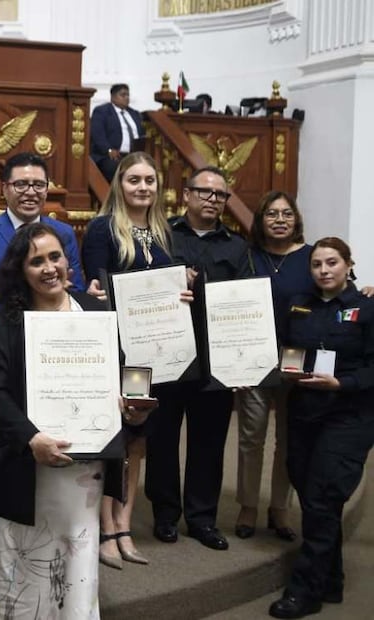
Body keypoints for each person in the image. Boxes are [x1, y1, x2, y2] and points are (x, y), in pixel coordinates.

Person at [0, 222, 151, 618]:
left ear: (66, 261)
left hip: (83, 467)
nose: (48, 267)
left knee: (79, 548)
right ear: (21, 271)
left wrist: (129, 409)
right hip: (30, 463)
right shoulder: (11, 322)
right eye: (35, 261)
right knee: (27, 554)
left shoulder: (95, 312)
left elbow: (118, 376)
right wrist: (30, 438)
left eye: (54, 256)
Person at [268, 237, 374, 619]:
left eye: (332, 262)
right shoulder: (299, 304)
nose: (324, 270)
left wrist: (343, 384)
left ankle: (304, 591)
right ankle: (332, 580)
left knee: (323, 497)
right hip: (305, 413)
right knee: (310, 489)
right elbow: (281, 347)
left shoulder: (367, 307)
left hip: (349, 415)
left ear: (348, 264)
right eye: (317, 264)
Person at [145, 165, 250, 551]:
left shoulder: (238, 247)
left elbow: (243, 305)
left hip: (214, 359)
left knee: (209, 440)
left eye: (220, 195)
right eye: (204, 192)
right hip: (167, 354)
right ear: (186, 195)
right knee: (162, 437)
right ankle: (165, 514)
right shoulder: (160, 237)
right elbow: (145, 287)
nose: (211, 199)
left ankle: (202, 518)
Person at [82, 151, 173, 568]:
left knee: (138, 439)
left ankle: (126, 522)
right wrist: (96, 292)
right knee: (112, 438)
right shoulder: (102, 229)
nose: (143, 187)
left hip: (150, 354)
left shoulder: (163, 232)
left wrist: (181, 294)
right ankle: (105, 527)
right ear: (120, 184)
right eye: (134, 179)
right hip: (113, 350)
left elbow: (169, 289)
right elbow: (93, 289)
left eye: (149, 180)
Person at [233, 191, 308, 542]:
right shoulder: (246, 256)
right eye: (271, 214)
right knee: (251, 436)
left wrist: (366, 291)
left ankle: (280, 507)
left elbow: (338, 291)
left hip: (298, 359)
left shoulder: (311, 257)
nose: (279, 219)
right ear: (261, 220)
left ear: (296, 220)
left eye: (286, 213)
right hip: (253, 359)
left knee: (290, 439)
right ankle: (248, 505)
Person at [0, 152, 84, 295]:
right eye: (21, 184)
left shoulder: (64, 232)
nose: (31, 192)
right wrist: (38, 296)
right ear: (5, 189)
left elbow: (76, 289)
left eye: (39, 185)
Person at [90, 83, 146, 182]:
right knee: (114, 168)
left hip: (133, 155)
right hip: (110, 155)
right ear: (113, 97)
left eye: (128, 95)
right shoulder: (102, 111)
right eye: (123, 95)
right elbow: (97, 134)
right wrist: (109, 150)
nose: (127, 98)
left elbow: (141, 133)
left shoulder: (134, 114)